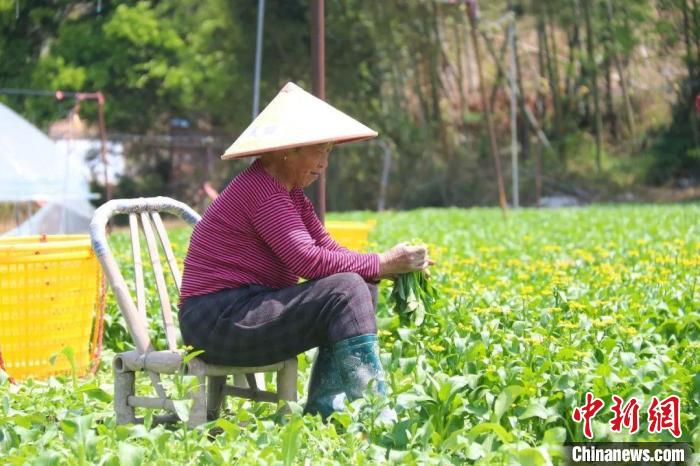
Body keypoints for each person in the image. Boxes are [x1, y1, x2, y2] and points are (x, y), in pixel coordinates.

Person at [178, 82, 430, 420]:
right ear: (289, 150)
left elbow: (328, 251)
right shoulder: (261, 190)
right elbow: (307, 260)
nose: (325, 163)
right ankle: (376, 412)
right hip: (218, 321)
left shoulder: (290, 194)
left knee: (358, 284)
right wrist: (383, 262)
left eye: (329, 152)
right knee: (348, 287)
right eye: (320, 150)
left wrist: (390, 267)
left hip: (245, 310)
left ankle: (326, 407)